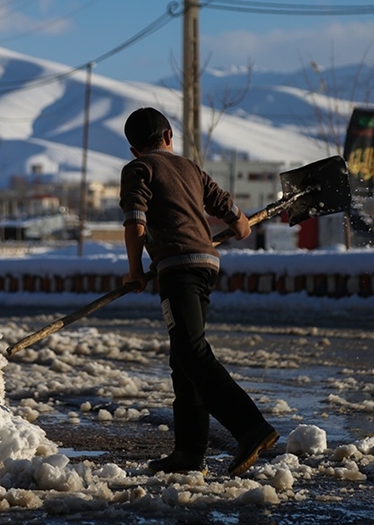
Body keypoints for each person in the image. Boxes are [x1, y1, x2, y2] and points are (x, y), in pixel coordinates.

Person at [118, 106, 279, 477]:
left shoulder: (138, 169)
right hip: (206, 266)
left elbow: (135, 222)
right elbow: (240, 225)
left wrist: (135, 271)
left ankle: (250, 427)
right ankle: (189, 452)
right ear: (169, 136)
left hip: (177, 270)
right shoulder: (190, 168)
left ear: (134, 150)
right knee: (183, 358)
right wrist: (238, 224)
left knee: (192, 353)